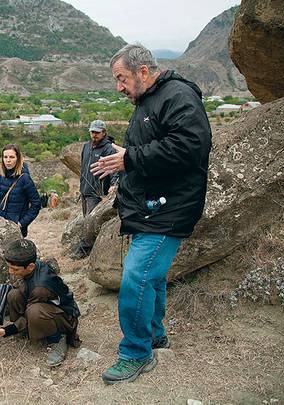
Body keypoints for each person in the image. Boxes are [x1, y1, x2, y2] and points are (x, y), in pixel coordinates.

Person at [90, 44, 212, 384]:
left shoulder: (177, 95)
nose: (118, 86)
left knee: (135, 278)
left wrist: (130, 159)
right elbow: (151, 148)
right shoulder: (147, 100)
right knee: (152, 277)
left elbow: (191, 145)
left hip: (169, 208)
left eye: (122, 78)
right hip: (148, 207)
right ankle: (155, 336)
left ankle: (136, 354)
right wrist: (125, 158)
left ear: (143, 72)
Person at [0, 239, 81, 367]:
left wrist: (8, 330)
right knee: (13, 295)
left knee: (34, 312)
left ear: (30, 267)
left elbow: (31, 311)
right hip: (46, 307)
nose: (10, 272)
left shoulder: (41, 288)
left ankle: (58, 339)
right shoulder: (33, 267)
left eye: (15, 269)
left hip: (65, 319)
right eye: (9, 267)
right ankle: (27, 330)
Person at [70, 119, 118, 260]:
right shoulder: (86, 146)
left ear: (104, 133)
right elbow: (83, 168)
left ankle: (84, 250)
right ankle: (91, 247)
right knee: (87, 221)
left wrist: (113, 184)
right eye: (92, 132)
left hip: (97, 192)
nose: (94, 135)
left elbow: (114, 169)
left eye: (97, 132)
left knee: (90, 222)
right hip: (85, 190)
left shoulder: (109, 148)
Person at [0, 144, 41, 237]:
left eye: (12, 157)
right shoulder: (2, 176)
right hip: (1, 224)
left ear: (18, 158)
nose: (8, 160)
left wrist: (21, 223)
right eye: (5, 157)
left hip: (16, 227)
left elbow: (36, 204)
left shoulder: (24, 178)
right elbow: (1, 199)